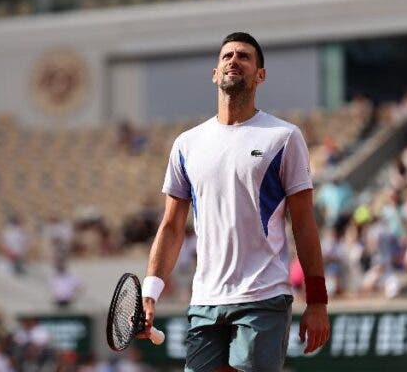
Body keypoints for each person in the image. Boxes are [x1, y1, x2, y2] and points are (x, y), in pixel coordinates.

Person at [138, 32, 330, 371]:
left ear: (260, 75)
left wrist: (317, 301)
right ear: (215, 73)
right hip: (205, 301)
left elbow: (303, 223)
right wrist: (150, 291)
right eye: (227, 55)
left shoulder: (283, 137)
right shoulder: (187, 144)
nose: (233, 60)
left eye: (244, 56)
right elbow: (170, 226)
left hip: (263, 296)